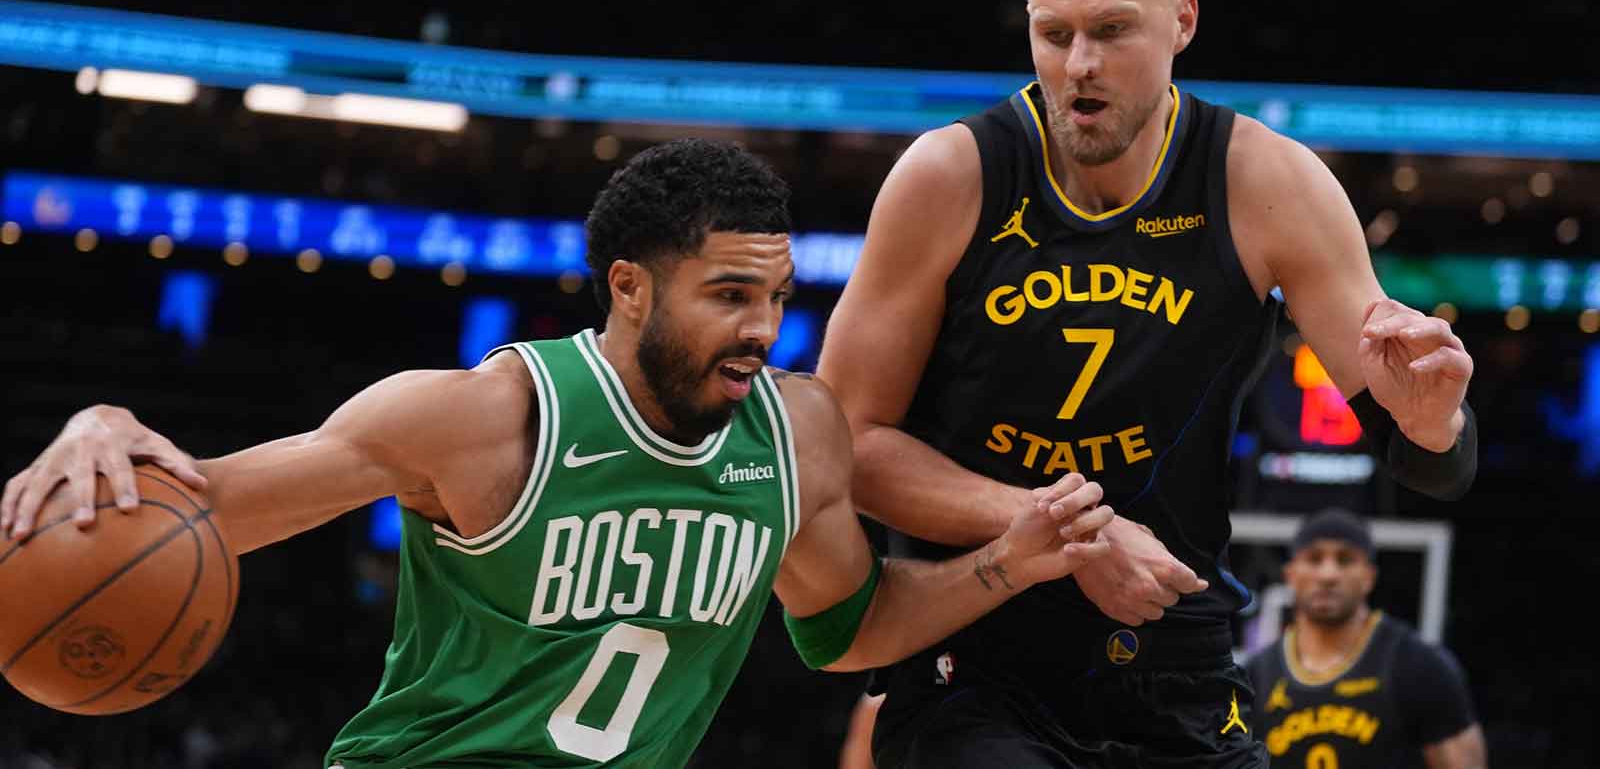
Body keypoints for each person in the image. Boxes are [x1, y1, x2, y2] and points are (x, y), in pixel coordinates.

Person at [0, 139, 1117, 768]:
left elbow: (848, 627)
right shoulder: (483, 417)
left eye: (776, 297)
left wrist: (1007, 562)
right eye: (729, 296)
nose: (761, 328)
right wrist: (105, 426)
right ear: (629, 287)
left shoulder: (800, 433)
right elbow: (208, 514)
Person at [815, 0, 1478, 769]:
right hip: (974, 652)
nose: (1078, 64)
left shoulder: (1267, 183)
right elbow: (845, 445)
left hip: (1176, 650)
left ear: (1184, 21)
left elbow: (1430, 463)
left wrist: (1432, 422)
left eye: (1113, 31)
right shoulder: (951, 175)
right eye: (1054, 34)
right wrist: (1066, 530)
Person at [1244, 509, 1487, 768]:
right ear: (1291, 575)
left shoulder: (1420, 665)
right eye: (1314, 559)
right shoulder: (1256, 675)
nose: (1328, 575)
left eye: (1345, 560)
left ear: (1369, 577)